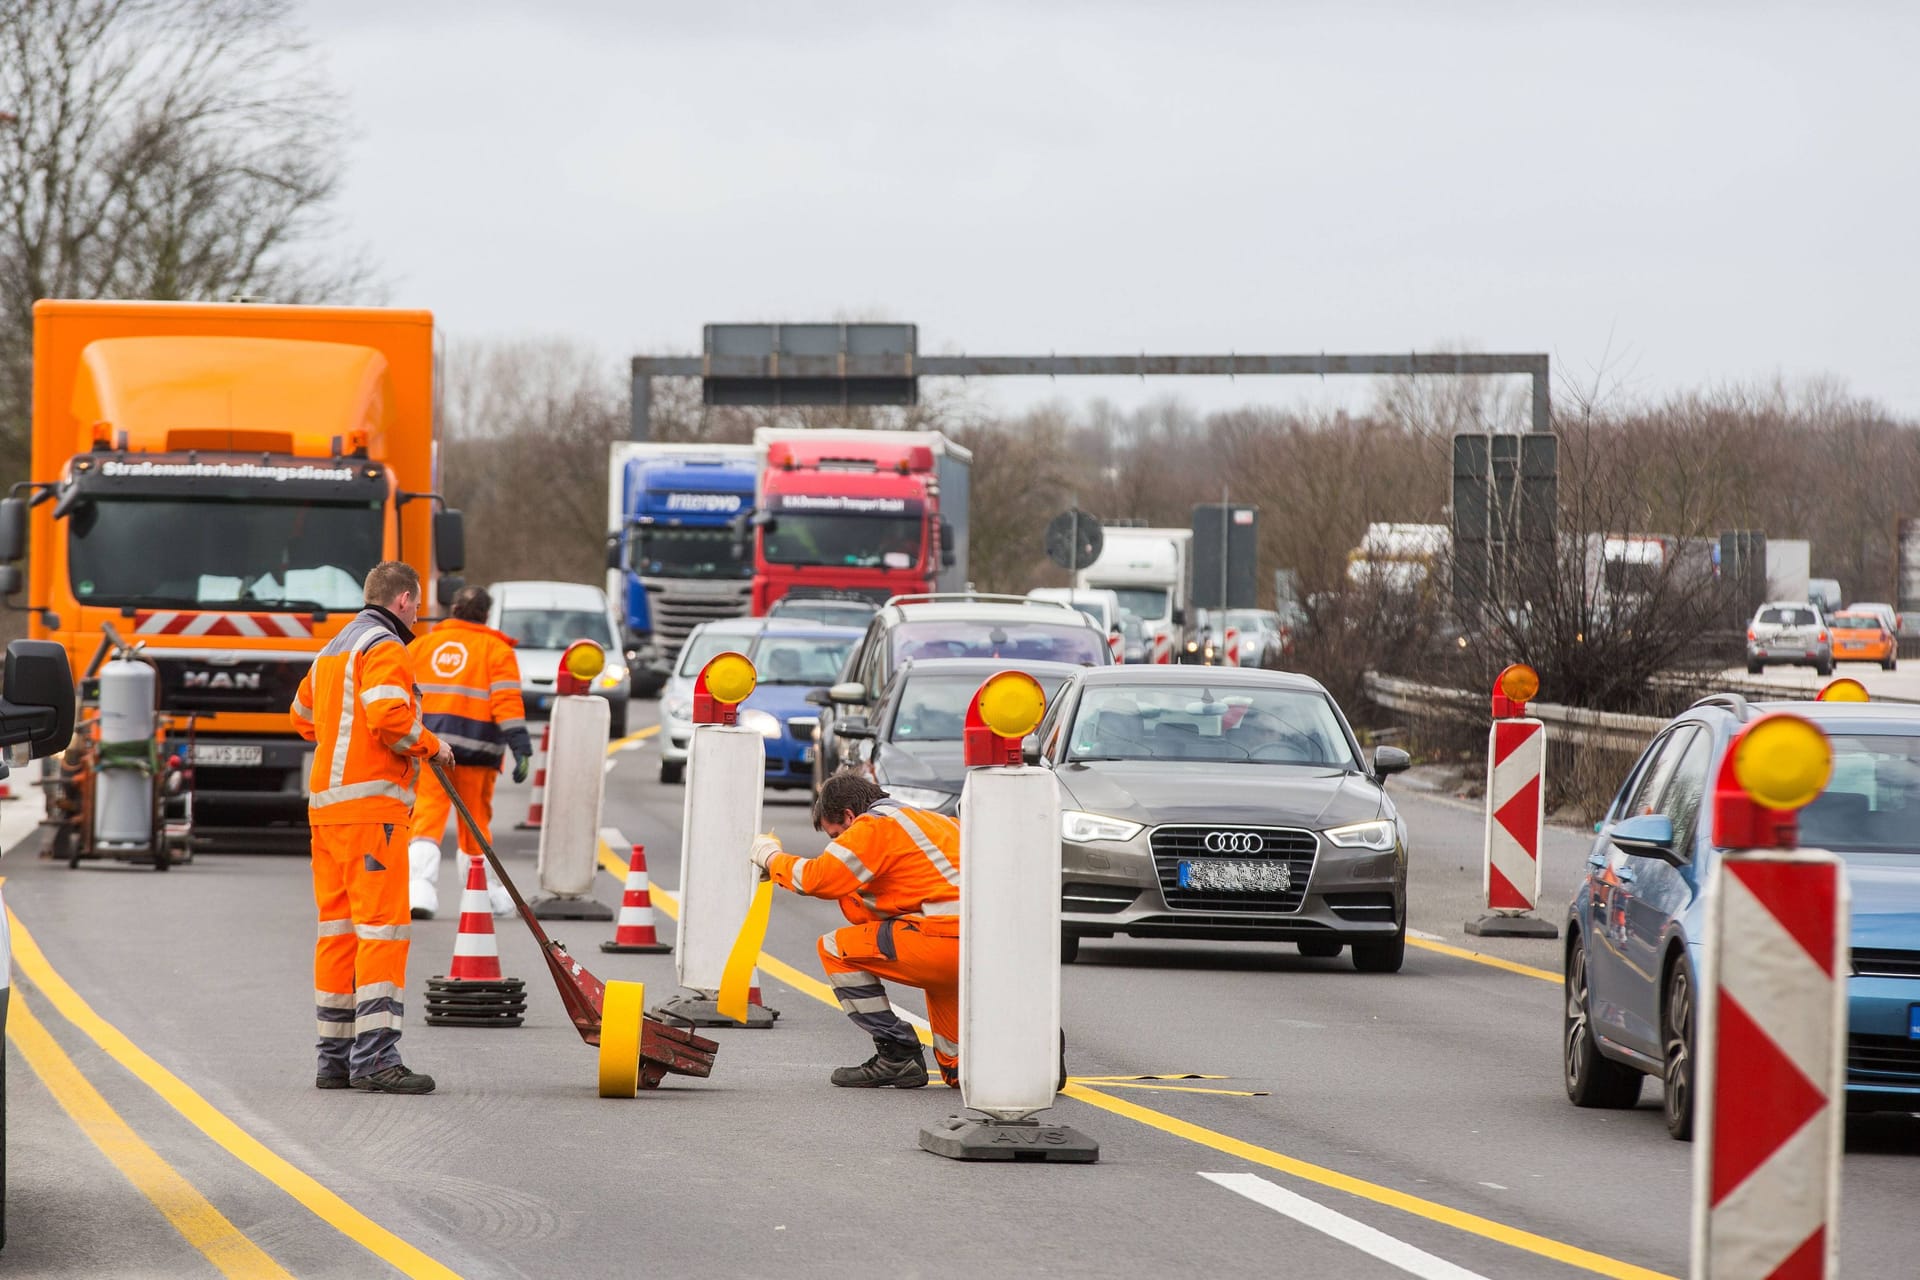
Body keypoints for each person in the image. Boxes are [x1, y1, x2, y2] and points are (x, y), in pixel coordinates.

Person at [290, 561, 453, 1095]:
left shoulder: (333, 649)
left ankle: (333, 1058)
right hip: (372, 816)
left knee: (337, 934)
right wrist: (431, 745)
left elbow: (302, 715)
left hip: (327, 812)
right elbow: (388, 718)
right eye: (418, 602)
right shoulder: (385, 647)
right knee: (383, 932)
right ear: (404, 599)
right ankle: (376, 1057)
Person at [750, 771, 960, 1088]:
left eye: (836, 836)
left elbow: (817, 878)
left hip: (941, 941)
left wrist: (770, 859)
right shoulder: (934, 823)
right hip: (978, 944)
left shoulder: (872, 826)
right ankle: (1005, 1059)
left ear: (849, 816)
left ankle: (897, 1054)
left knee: (835, 949)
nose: (839, 844)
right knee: (958, 1069)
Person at [405, 586, 534, 918]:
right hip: (476, 754)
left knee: (425, 819)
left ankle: (419, 892)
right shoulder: (496, 650)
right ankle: (481, 896)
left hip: (430, 752)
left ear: (453, 610)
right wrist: (520, 748)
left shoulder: (422, 645)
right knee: (475, 825)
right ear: (486, 615)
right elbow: (506, 704)